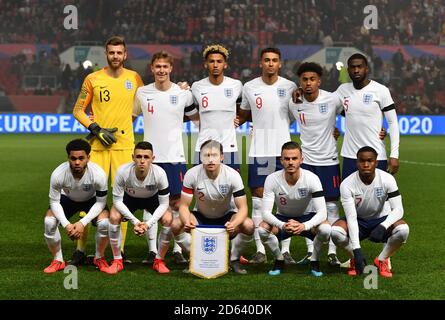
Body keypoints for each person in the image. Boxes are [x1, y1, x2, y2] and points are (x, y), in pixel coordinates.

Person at [72, 36, 143, 265]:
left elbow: (145, 101)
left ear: (125, 54)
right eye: (111, 52)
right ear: (106, 54)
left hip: (125, 147)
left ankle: (118, 252)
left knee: (122, 201)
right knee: (89, 199)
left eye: (119, 52)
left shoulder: (134, 78)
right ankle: (81, 250)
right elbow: (78, 110)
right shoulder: (93, 78)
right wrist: (95, 128)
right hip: (98, 148)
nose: (115, 56)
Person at [133, 51, 200, 265]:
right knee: (148, 204)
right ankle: (153, 251)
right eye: (157, 66)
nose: (161, 70)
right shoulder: (142, 92)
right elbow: (130, 118)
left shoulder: (183, 94)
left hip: (175, 157)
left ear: (171, 69)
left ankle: (178, 249)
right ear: (151, 69)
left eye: (165, 67)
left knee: (176, 203)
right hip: (150, 158)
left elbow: (197, 119)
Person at [237, 47, 297, 265]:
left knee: (286, 201)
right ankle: (261, 249)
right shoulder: (250, 87)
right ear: (260, 63)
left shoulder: (289, 86)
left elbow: (298, 114)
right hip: (259, 151)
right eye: (266, 60)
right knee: (259, 200)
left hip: (283, 152)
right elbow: (243, 114)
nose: (270, 63)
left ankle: (286, 249)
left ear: (280, 63)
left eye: (274, 60)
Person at [289, 62, 344, 267]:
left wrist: (336, 130)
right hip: (307, 162)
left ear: (319, 81)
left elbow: (352, 112)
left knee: (331, 206)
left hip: (329, 161)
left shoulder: (332, 99)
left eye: (312, 79)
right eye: (304, 79)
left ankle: (332, 252)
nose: (308, 83)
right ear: (300, 82)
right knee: (308, 206)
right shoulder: (294, 102)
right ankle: (311, 252)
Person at [171, 140, 254, 274]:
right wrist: (187, 222)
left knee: (249, 225)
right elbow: (184, 206)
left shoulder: (233, 175)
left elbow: (243, 208)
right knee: (175, 225)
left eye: (214, 155)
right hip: (201, 217)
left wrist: (235, 223)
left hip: (226, 218)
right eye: (206, 155)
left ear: (221, 157)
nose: (210, 160)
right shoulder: (192, 174)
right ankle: (195, 257)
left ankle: (233, 259)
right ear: (201, 157)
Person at [331, 146, 409, 278]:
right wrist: (357, 250)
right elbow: (351, 217)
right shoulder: (347, 184)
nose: (366, 164)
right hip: (358, 220)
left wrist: (383, 226)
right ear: (357, 163)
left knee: (403, 230)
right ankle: (355, 260)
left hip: (381, 219)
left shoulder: (387, 179)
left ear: (376, 162)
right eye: (362, 161)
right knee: (335, 232)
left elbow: (398, 209)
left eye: (370, 161)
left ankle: (382, 259)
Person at [258, 141, 331, 277]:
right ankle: (279, 259)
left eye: (294, 158)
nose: (290, 162)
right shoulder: (272, 179)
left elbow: (322, 212)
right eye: (287, 159)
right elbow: (265, 213)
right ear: (281, 160)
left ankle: (314, 260)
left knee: (326, 228)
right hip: (283, 219)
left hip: (307, 218)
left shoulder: (312, 178)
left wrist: (304, 225)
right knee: (262, 229)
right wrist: (282, 225)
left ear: (301, 160)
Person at [43, 139, 110, 273]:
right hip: (67, 199)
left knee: (104, 223)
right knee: (49, 222)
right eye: (73, 158)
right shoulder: (58, 174)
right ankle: (58, 260)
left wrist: (82, 223)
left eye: (81, 158)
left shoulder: (99, 174)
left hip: (92, 201)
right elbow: (54, 202)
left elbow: (101, 202)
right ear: (68, 158)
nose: (77, 162)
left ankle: (99, 257)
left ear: (88, 158)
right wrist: (67, 224)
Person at [107, 141, 172, 274]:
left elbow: (165, 204)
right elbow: (117, 201)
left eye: (146, 157)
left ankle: (159, 261)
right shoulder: (122, 171)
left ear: (152, 159)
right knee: (113, 216)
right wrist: (135, 221)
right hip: (130, 198)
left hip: (152, 199)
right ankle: (117, 260)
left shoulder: (160, 174)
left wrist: (148, 224)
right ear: (133, 157)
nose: (142, 160)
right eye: (139, 156)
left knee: (168, 219)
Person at [335, 53, 400, 180]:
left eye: (360, 66)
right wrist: (300, 91)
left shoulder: (381, 90)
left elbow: (393, 123)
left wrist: (394, 155)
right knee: (348, 197)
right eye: (353, 67)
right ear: (348, 70)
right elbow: (325, 103)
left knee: (378, 198)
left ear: (367, 68)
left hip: (375, 156)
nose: (356, 70)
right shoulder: (342, 90)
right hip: (350, 156)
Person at [190, 44, 242, 170]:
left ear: (225, 64)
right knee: (200, 187)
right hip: (203, 146)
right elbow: (187, 109)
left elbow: (243, 108)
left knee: (231, 187)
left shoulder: (236, 85)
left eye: (219, 61)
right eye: (211, 61)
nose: (215, 65)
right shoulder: (197, 86)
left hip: (229, 147)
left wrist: (240, 118)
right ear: (205, 64)